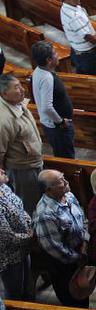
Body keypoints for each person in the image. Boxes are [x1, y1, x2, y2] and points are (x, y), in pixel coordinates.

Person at [33, 169, 89, 307]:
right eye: (60, 182)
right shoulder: (45, 214)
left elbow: (81, 218)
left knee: (83, 292)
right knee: (73, 299)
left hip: (80, 251)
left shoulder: (68, 195)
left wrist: (86, 241)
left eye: (64, 177)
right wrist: (78, 258)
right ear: (49, 190)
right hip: (64, 264)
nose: (66, 182)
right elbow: (54, 247)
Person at [0, 74, 44, 215]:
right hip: (22, 169)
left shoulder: (17, 103)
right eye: (17, 87)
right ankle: (34, 232)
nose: (22, 90)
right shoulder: (4, 120)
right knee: (30, 203)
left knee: (39, 196)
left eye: (20, 85)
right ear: (4, 93)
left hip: (33, 161)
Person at [29, 42, 75, 159]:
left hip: (54, 126)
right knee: (66, 158)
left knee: (63, 153)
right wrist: (60, 121)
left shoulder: (38, 71)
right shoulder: (46, 78)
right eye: (55, 53)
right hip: (58, 128)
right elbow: (46, 107)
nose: (58, 55)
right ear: (49, 60)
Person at [0, 171, 33, 301]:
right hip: (9, 256)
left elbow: (20, 207)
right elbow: (6, 236)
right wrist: (29, 237)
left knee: (26, 285)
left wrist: (28, 223)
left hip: (23, 246)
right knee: (14, 292)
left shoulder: (4, 187)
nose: (2, 170)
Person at [58, 0, 96, 76]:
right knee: (94, 80)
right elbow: (87, 36)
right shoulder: (74, 17)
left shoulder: (67, 7)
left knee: (83, 75)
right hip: (87, 55)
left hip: (76, 51)